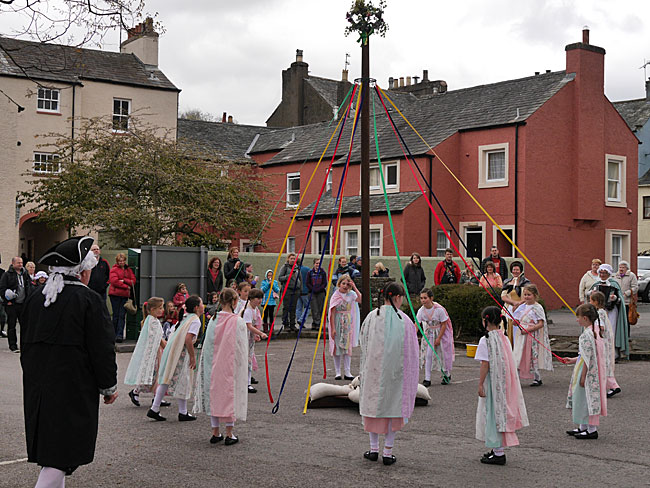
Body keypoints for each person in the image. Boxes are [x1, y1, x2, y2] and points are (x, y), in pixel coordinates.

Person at [20, 236, 118, 487]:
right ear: (82, 271)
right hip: (72, 387)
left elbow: (25, 345)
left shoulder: (36, 297)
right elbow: (102, 348)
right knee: (61, 456)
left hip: (38, 386)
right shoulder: (89, 300)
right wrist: (108, 386)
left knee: (52, 453)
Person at [359, 281, 419, 466]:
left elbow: (363, 340)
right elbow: (412, 349)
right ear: (398, 297)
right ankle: (387, 451)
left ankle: (373, 448)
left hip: (374, 371)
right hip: (396, 374)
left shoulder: (372, 316)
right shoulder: (404, 320)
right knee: (394, 407)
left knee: (373, 406)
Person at [193, 288, 248, 446]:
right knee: (229, 394)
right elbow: (241, 346)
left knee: (214, 394)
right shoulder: (237, 321)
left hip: (212, 363)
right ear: (233, 302)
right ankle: (229, 433)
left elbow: (208, 344)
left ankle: (215, 431)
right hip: (229, 364)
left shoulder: (213, 319)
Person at [475, 306, 528, 466]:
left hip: (493, 382)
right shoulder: (503, 336)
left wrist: (480, 383)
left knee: (492, 414)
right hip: (504, 381)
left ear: (485, 320)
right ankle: (496, 449)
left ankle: (498, 452)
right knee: (499, 413)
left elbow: (485, 364)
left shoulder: (487, 339)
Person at [147, 295, 203, 422]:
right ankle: (181, 412)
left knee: (167, 378)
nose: (203, 306)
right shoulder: (195, 320)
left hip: (174, 350)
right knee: (182, 379)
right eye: (201, 304)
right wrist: (193, 357)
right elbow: (188, 339)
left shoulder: (186, 317)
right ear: (196, 307)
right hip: (181, 353)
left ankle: (156, 408)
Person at [565, 304, 607, 440]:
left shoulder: (586, 335)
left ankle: (591, 429)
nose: (577, 320)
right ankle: (583, 426)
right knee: (583, 397)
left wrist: (583, 376)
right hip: (589, 368)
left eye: (578, 317)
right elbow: (586, 355)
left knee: (584, 398)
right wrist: (573, 360)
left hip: (586, 370)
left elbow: (587, 358)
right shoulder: (594, 331)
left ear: (585, 318)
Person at [125, 297, 167, 407]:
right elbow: (157, 338)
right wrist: (166, 346)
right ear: (152, 309)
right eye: (160, 308)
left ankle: (156, 397)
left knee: (156, 375)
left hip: (156, 352)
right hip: (153, 354)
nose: (162, 310)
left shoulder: (152, 320)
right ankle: (136, 392)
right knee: (153, 374)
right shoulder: (152, 321)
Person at [512, 284, 553, 386]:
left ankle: (537, 377)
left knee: (532, 355)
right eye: (525, 294)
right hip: (521, 335)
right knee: (518, 353)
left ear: (535, 295)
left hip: (532, 335)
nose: (526, 297)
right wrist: (515, 318)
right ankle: (515, 376)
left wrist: (529, 329)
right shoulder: (522, 307)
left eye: (529, 295)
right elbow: (515, 321)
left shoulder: (537, 307)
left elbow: (540, 323)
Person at [588, 264, 629, 360]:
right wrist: (590, 294)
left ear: (609, 274)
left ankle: (612, 353)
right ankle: (599, 351)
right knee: (598, 329)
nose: (602, 275)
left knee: (611, 329)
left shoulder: (613, 284)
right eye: (601, 273)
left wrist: (615, 298)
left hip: (611, 311)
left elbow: (620, 300)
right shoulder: (596, 284)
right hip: (598, 311)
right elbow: (588, 297)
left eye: (604, 273)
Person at [327, 274, 361, 380]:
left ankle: (347, 371)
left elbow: (360, 299)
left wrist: (354, 287)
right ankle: (337, 372)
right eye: (343, 283)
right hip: (337, 320)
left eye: (347, 284)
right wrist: (332, 328)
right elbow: (332, 312)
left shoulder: (351, 294)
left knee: (347, 346)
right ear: (339, 284)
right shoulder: (336, 295)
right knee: (337, 346)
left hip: (347, 321)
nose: (345, 286)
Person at [418, 288, 454, 386]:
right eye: (421, 298)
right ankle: (427, 378)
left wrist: (439, 338)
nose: (423, 300)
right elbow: (417, 323)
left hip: (440, 332)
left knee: (443, 354)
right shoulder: (421, 310)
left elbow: (444, 324)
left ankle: (446, 374)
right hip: (429, 333)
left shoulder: (439, 310)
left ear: (431, 298)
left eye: (425, 298)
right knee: (428, 354)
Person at [589, 292, 621, 398]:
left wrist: (595, 333)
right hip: (604, 340)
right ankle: (604, 385)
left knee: (603, 364)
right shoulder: (601, 312)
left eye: (591, 301)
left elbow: (601, 327)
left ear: (596, 302)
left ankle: (613, 386)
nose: (590, 303)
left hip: (602, 341)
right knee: (602, 364)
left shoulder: (600, 313)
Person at [0, 256, 33, 352]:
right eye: (18, 263)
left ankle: (24, 344)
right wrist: (7, 301)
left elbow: (29, 286)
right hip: (12, 304)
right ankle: (13, 345)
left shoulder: (25, 274)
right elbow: (2, 289)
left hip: (23, 304)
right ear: (13, 263)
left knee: (25, 325)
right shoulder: (7, 275)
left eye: (21, 263)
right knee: (12, 325)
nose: (20, 264)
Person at [242, 288, 268, 393]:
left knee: (249, 360)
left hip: (250, 339)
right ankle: (246, 383)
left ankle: (247, 382)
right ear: (251, 299)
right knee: (245, 360)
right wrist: (260, 333)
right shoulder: (247, 310)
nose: (260, 300)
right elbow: (248, 325)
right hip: (245, 338)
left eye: (261, 298)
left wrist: (256, 334)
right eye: (257, 298)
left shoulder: (254, 309)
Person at [501, 261, 531, 345]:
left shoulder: (526, 282)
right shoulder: (507, 282)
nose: (515, 271)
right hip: (508, 309)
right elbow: (503, 296)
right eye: (514, 269)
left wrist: (518, 304)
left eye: (517, 270)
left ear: (521, 271)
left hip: (522, 309)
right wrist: (513, 303)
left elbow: (528, 296)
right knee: (507, 328)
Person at [108, 253, 135, 343]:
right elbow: (114, 281)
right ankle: (113, 334)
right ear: (117, 261)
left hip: (124, 296)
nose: (122, 262)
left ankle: (119, 335)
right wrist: (126, 286)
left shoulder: (128, 270)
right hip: (115, 295)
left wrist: (124, 280)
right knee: (116, 315)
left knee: (122, 315)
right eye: (120, 261)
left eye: (123, 260)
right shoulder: (114, 269)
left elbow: (133, 281)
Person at [278, 253, 302, 332]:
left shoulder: (297, 268)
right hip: (287, 290)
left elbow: (300, 278)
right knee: (286, 307)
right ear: (288, 259)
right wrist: (289, 276)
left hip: (296, 290)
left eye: (294, 258)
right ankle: (286, 324)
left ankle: (293, 324)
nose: (292, 260)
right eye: (291, 258)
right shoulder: (285, 267)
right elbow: (280, 278)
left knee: (293, 307)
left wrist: (300, 287)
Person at [306, 259, 328, 331]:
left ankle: (318, 322)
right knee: (314, 308)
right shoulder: (310, 273)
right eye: (316, 263)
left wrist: (319, 289)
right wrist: (313, 289)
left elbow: (324, 283)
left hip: (320, 292)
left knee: (320, 308)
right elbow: (307, 283)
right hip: (312, 293)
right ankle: (316, 322)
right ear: (314, 264)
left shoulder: (322, 273)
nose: (317, 265)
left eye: (319, 263)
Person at [260, 269, 280, 334]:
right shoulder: (264, 282)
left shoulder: (275, 282)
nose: (270, 277)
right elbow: (262, 290)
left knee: (271, 315)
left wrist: (272, 285)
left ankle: (271, 328)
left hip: (272, 302)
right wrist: (268, 284)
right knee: (265, 315)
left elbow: (277, 290)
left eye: (271, 275)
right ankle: (265, 328)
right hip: (265, 301)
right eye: (268, 275)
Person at [295, 258, 311, 325]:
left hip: (297, 291)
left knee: (299, 307)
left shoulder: (295, 270)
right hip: (305, 291)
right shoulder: (307, 269)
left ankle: (299, 319)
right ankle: (301, 319)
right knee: (308, 307)